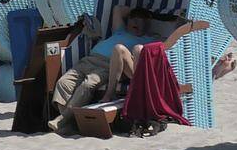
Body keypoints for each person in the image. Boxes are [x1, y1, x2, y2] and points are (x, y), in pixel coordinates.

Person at [49, 7, 160, 135]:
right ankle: (70, 123)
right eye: (133, 19)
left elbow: (166, 44)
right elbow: (118, 9)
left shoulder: (148, 40)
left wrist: (153, 17)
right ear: (127, 21)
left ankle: (63, 119)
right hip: (88, 60)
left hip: (107, 65)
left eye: (141, 21)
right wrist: (137, 12)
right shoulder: (119, 31)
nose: (136, 23)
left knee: (87, 84)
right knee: (63, 83)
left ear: (147, 24)